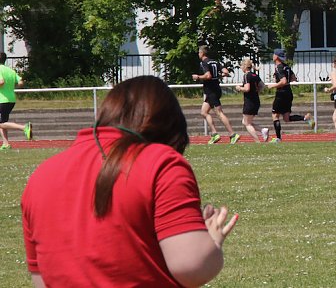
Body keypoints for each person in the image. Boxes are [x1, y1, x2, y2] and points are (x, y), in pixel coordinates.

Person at [21, 76, 239, 287]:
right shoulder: (162, 163)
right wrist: (212, 241)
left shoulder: (41, 175)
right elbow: (191, 266)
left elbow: (42, 279)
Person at [192, 45, 239, 145]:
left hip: (211, 90)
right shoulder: (215, 62)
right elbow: (226, 72)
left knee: (219, 113)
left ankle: (232, 134)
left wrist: (198, 77)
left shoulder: (204, 63)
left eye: (199, 52)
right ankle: (214, 134)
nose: (198, 54)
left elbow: (208, 75)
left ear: (202, 53)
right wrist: (218, 76)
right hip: (215, 89)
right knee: (204, 112)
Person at [270, 49, 314, 143]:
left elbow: (284, 81)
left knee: (275, 116)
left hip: (281, 93)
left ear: (276, 57)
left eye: (274, 54)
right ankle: (306, 118)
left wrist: (273, 85)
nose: (272, 56)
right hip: (288, 92)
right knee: (286, 118)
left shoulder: (279, 67)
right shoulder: (287, 67)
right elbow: (293, 78)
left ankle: (278, 138)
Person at [0, 52, 32, 149]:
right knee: (3, 122)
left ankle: (24, 127)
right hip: (11, 99)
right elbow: (20, 82)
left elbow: (1, 82)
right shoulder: (10, 70)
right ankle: (5, 143)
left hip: (2, 100)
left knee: (1, 123)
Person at [236, 58, 265, 143]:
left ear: (245, 66)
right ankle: (262, 130)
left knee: (247, 123)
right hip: (256, 100)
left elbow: (247, 88)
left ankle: (257, 141)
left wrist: (239, 88)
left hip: (249, 101)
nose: (241, 67)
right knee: (245, 121)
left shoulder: (247, 75)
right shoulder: (254, 75)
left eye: (241, 65)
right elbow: (262, 86)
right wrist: (256, 92)